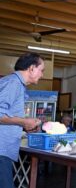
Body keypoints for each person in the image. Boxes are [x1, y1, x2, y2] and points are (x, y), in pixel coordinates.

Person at [0, 52, 44, 188]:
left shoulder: (17, 85)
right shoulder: (12, 83)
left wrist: (26, 125)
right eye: (41, 70)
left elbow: (8, 114)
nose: (42, 75)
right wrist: (23, 122)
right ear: (31, 68)